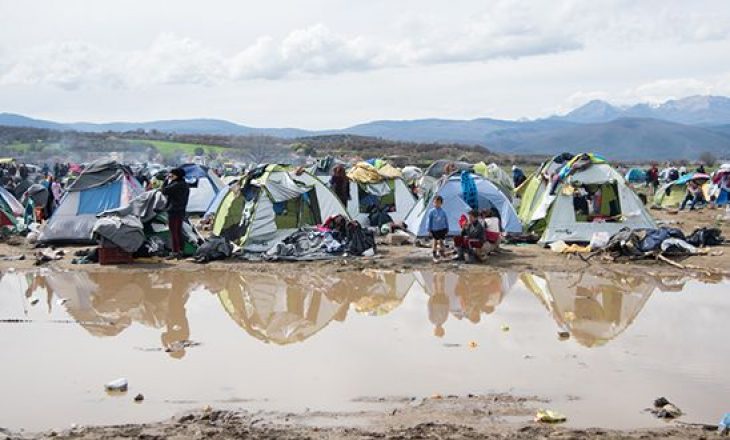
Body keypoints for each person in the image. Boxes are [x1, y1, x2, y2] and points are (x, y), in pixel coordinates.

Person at [162, 168, 190, 259]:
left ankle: (175, 252)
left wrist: (166, 180)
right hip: (181, 211)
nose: (170, 176)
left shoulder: (176, 185)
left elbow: (164, 191)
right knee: (178, 231)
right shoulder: (184, 184)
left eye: (172, 174)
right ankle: (180, 250)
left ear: (177, 175)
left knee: (173, 232)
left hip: (174, 211)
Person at [427, 195, 449, 263]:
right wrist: (429, 229)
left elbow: (446, 220)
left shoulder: (443, 212)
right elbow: (429, 221)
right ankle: (434, 253)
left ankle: (442, 252)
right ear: (433, 203)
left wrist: (447, 228)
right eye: (435, 202)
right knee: (435, 241)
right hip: (434, 229)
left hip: (442, 228)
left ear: (441, 203)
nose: (437, 204)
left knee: (442, 241)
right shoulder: (431, 211)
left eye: (438, 203)